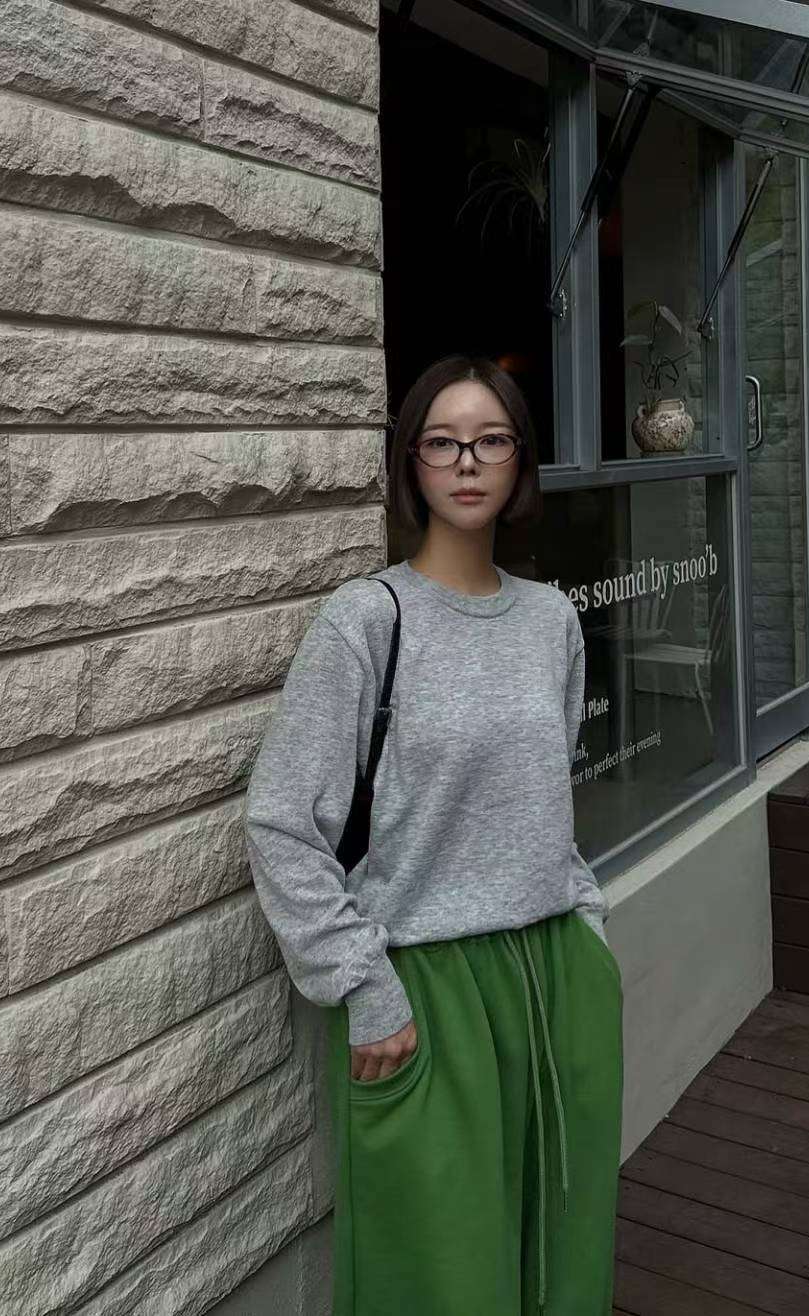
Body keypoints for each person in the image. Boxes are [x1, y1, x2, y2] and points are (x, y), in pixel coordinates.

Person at [242, 353, 624, 1314]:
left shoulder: (551, 620)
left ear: (520, 459)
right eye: (442, 443)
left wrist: (588, 927)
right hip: (424, 986)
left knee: (564, 1249)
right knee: (442, 1278)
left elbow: (549, 796)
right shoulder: (366, 622)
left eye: (490, 441)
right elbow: (282, 822)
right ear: (411, 463)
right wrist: (363, 987)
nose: (466, 462)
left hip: (556, 968)